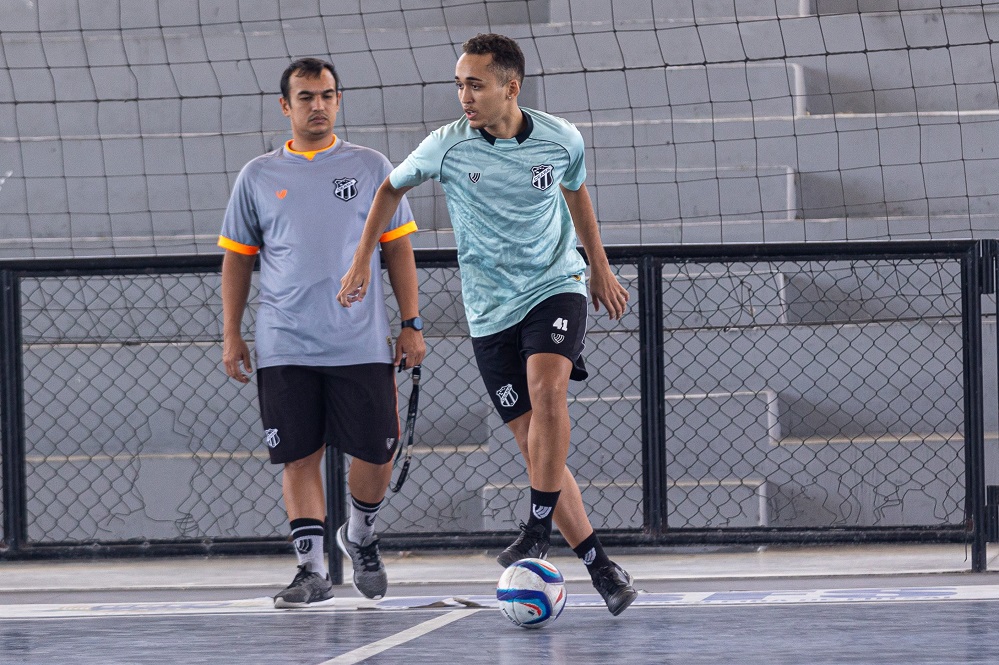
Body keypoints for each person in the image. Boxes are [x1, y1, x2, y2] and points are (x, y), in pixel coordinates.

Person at [337, 34, 637, 616]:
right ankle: (601, 566)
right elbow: (386, 190)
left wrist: (597, 267)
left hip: (555, 286)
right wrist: (359, 263)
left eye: (475, 84)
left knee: (548, 390)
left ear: (510, 86)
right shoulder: (446, 147)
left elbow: (577, 195)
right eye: (459, 85)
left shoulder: (560, 138)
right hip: (489, 310)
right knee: (533, 445)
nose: (464, 96)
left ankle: (537, 526)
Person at [219, 57, 425, 608]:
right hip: (285, 341)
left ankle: (359, 532)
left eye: (327, 95)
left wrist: (411, 325)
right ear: (285, 106)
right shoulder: (258, 176)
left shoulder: (370, 166)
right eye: (306, 96)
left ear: (338, 101)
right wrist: (232, 333)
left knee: (378, 455)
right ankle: (311, 571)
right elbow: (238, 260)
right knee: (299, 456)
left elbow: (398, 247)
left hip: (360, 341)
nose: (318, 105)